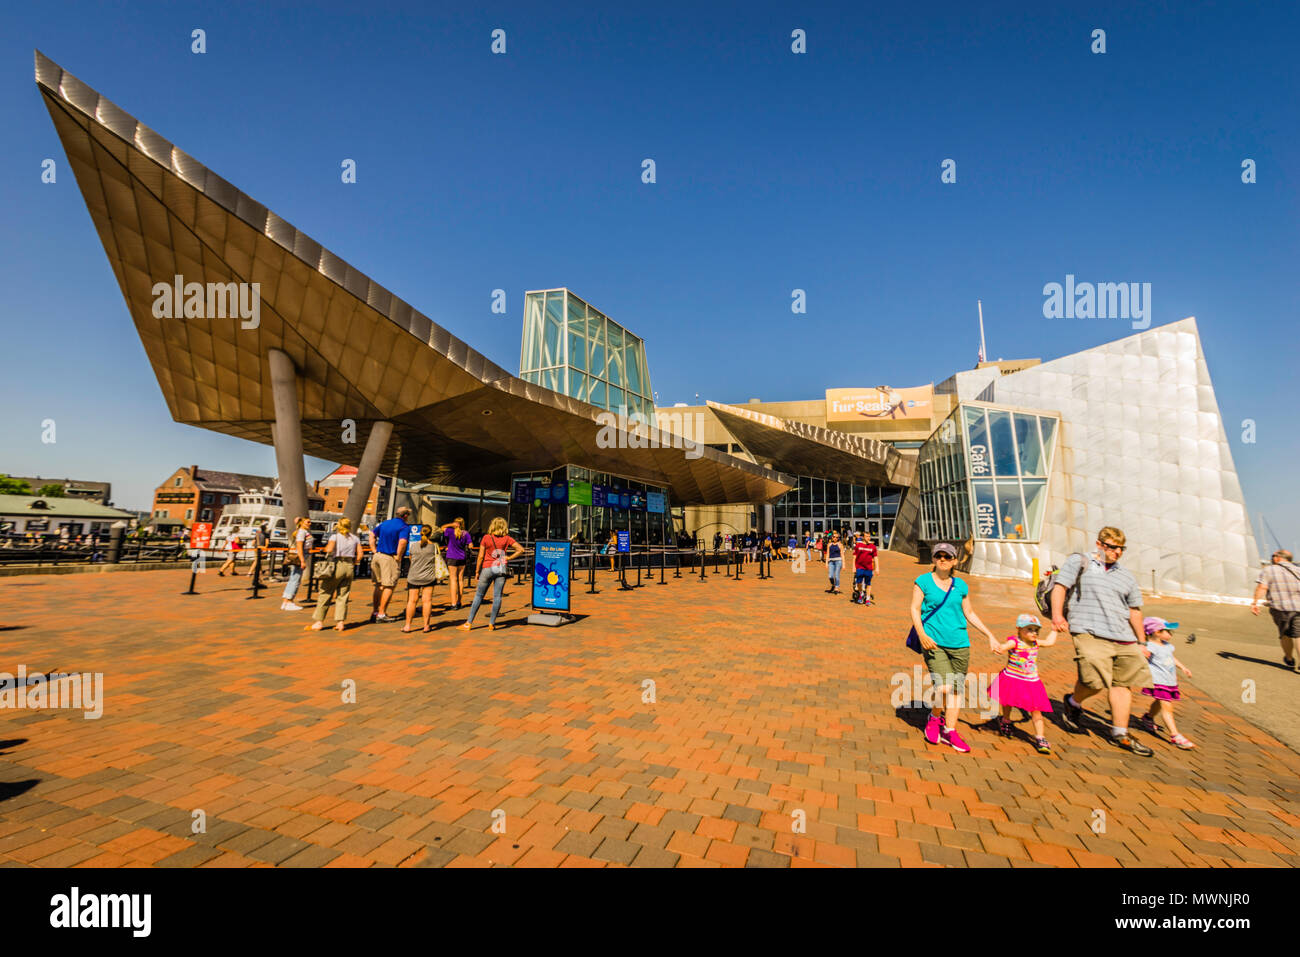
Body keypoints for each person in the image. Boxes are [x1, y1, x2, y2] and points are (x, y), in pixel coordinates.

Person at [1053, 526, 1153, 756]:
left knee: (1122, 683)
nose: (1116, 552)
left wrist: (1142, 641)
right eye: (1112, 547)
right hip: (1089, 631)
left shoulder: (1126, 575)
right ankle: (1073, 702)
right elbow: (1060, 587)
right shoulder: (1080, 562)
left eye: (1121, 549)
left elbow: (1134, 610)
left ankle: (1120, 733)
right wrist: (1058, 616)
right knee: (1094, 681)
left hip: (1123, 637)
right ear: (1099, 544)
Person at [911, 541, 997, 753]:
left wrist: (989, 635)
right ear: (933, 559)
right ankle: (934, 717)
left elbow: (969, 613)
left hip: (960, 644)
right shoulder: (923, 581)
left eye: (947, 556)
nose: (943, 559)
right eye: (939, 555)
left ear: (954, 561)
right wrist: (922, 635)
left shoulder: (961, 586)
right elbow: (914, 609)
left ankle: (950, 730)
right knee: (943, 686)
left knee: (956, 689)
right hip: (933, 642)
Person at [988, 614, 1057, 754]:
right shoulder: (1015, 642)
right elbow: (1005, 646)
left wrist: (1055, 629)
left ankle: (1040, 737)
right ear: (1019, 629)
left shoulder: (1036, 643)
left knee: (1036, 709)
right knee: (1008, 701)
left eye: (1036, 630)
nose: (1034, 633)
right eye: (1029, 629)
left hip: (1031, 682)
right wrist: (999, 647)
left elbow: (1050, 642)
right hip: (1013, 678)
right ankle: (1005, 720)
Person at [1135, 617, 1195, 748]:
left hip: (1169, 680)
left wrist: (1183, 667)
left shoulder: (1167, 646)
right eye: (1168, 631)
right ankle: (1175, 735)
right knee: (1167, 706)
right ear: (1157, 632)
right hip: (1159, 680)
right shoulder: (1150, 647)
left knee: (1159, 701)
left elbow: (1171, 658)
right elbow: (1141, 658)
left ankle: (1148, 718)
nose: (1170, 634)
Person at [462, 517, 524, 631]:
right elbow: (521, 549)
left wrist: (476, 571)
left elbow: (480, 556)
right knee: (497, 596)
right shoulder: (507, 538)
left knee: (479, 596)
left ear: (492, 526)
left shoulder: (486, 537)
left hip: (487, 568)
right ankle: (492, 623)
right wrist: (509, 557)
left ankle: (469, 623)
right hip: (501, 569)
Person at [1251, 549, 1300, 671]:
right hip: (1299, 607)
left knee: (1285, 634)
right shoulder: (1298, 570)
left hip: (1280, 608)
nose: (1272, 558)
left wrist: (1255, 602)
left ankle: (1289, 659)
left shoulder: (1269, 570)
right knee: (1299, 634)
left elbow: (1262, 587)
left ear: (1278, 558)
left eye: (1273, 555)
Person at [310, 518, 360, 632]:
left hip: (337, 564)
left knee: (325, 593)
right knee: (343, 595)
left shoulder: (335, 537)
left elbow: (330, 549)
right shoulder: (355, 538)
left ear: (339, 526)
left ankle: (319, 622)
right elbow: (360, 554)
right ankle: (340, 622)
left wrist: (323, 549)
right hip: (349, 566)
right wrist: (354, 563)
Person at [369, 507, 412, 622]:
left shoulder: (385, 523)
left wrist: (374, 550)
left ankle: (375, 612)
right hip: (389, 557)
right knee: (389, 585)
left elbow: (371, 535)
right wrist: (398, 556)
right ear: (406, 516)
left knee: (379, 585)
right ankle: (382, 614)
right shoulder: (404, 527)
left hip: (378, 555)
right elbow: (402, 542)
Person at [403, 524, 443, 633]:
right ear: (431, 534)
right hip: (429, 577)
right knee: (427, 601)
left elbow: (411, 559)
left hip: (414, 576)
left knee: (412, 601)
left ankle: (407, 625)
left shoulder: (414, 546)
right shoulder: (434, 547)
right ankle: (426, 625)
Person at [441, 517, 473, 609]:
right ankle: (459, 601)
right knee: (460, 579)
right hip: (462, 557)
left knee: (453, 579)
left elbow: (442, 527)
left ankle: (453, 603)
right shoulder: (466, 533)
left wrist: (451, 524)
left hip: (452, 557)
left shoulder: (450, 531)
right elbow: (470, 545)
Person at [280, 517, 311, 611]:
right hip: (300, 557)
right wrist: (302, 560)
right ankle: (289, 601)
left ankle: (286, 601)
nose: (310, 523)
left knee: (293, 578)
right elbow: (299, 546)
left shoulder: (302, 531)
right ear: (302, 523)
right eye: (308, 522)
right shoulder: (302, 532)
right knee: (295, 580)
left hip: (302, 556)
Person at [851, 531, 880, 605]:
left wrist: (877, 568)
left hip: (869, 568)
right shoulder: (858, 545)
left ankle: (867, 598)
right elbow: (854, 557)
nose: (868, 538)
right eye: (866, 536)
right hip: (859, 567)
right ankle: (861, 594)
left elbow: (876, 558)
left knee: (868, 583)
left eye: (869, 536)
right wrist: (854, 567)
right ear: (863, 537)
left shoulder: (872, 547)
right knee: (859, 583)